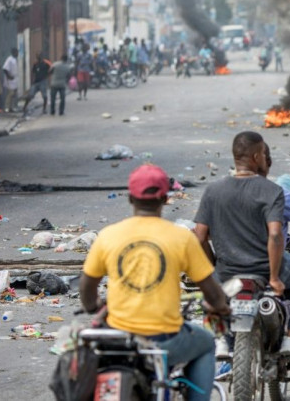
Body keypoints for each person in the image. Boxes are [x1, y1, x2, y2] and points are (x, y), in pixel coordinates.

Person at [79, 164, 230, 401]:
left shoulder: (109, 235)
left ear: (130, 198)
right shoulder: (181, 237)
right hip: (165, 340)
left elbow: (87, 292)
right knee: (206, 343)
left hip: (118, 340)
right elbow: (211, 291)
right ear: (165, 198)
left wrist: (96, 308)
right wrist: (220, 306)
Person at [193, 131, 290, 380]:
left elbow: (198, 238)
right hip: (267, 269)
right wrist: (274, 277)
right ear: (257, 156)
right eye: (263, 154)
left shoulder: (213, 191)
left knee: (209, 301)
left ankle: (223, 343)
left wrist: (214, 267)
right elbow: (274, 235)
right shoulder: (271, 190)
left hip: (228, 272)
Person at [2, 48, 19, 113]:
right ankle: (6, 107)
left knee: (13, 94)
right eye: (16, 52)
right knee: (10, 94)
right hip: (10, 80)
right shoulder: (9, 59)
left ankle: (11, 107)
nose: (17, 54)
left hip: (14, 80)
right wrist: (9, 76)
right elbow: (5, 69)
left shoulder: (14, 60)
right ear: (13, 52)